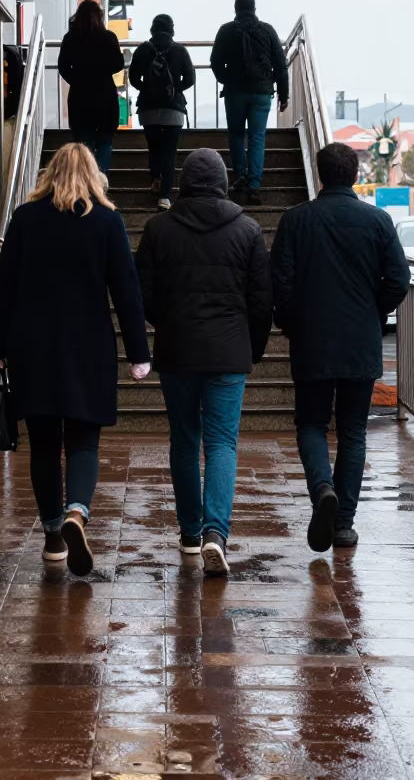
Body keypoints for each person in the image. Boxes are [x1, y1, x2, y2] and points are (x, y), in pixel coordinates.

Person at [0, 142, 150, 575]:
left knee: (42, 444)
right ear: (94, 175)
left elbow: (2, 288)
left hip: (32, 348)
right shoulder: (107, 222)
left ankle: (54, 537)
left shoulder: (23, 219)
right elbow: (126, 292)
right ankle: (77, 511)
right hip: (88, 346)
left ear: (49, 174)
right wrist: (139, 353)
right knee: (83, 440)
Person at [135, 148, 273, 575]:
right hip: (229, 353)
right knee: (221, 444)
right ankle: (217, 532)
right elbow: (261, 300)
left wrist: (167, 322)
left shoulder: (158, 229)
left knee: (183, 440)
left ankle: (190, 533)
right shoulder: (248, 230)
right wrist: (252, 348)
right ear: (223, 181)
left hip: (177, 350)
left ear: (185, 181)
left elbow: (143, 293)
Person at [269, 142, 410, 553]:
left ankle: (321, 489)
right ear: (354, 175)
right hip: (360, 343)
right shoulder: (378, 221)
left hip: (312, 341)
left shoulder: (295, 221)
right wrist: (373, 311)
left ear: (319, 174)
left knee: (311, 423)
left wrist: (291, 321)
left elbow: (281, 282)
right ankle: (344, 524)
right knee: (352, 431)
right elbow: (398, 281)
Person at [210, 0, 289, 205]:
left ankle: (240, 176)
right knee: (257, 137)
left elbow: (215, 61)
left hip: (235, 91)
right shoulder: (267, 30)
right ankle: (254, 184)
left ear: (235, 9)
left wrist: (225, 79)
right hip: (262, 91)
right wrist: (284, 93)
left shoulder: (226, 30)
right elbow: (280, 64)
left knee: (236, 134)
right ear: (254, 9)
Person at [128, 14, 195, 211]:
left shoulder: (142, 50)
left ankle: (155, 178)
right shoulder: (179, 50)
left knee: (154, 146)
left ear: (152, 29)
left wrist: (147, 89)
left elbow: (133, 78)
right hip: (173, 110)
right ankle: (165, 196)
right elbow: (190, 79)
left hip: (148, 109)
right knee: (169, 152)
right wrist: (174, 89)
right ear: (171, 30)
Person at [58, 0, 124, 174]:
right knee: (104, 143)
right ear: (100, 16)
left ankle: (85, 185)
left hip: (80, 99)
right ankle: (100, 185)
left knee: (83, 146)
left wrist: (78, 79)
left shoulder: (70, 38)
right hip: (105, 98)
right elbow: (118, 64)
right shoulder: (108, 37)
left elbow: (63, 67)